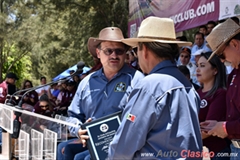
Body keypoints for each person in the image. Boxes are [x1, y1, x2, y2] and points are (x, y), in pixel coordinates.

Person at [108, 17, 202, 159]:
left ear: (144, 50)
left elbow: (124, 146)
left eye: (136, 50)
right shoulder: (187, 84)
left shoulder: (149, 85)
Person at [57, 27, 144, 160]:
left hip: (123, 146)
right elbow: (73, 116)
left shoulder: (137, 80)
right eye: (108, 51)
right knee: (63, 149)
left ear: (125, 54)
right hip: (91, 141)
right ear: (98, 53)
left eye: (119, 51)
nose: (114, 55)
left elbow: (142, 118)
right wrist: (79, 130)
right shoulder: (86, 83)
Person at [201, 18, 240, 159]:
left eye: (220, 55)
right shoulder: (234, 74)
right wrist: (219, 125)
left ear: (234, 44)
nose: (222, 61)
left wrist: (225, 128)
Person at [196, 52, 230, 159]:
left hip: (218, 153)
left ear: (215, 70)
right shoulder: (196, 92)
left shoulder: (220, 93)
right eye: (197, 65)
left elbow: (208, 128)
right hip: (199, 150)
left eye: (202, 66)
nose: (197, 69)